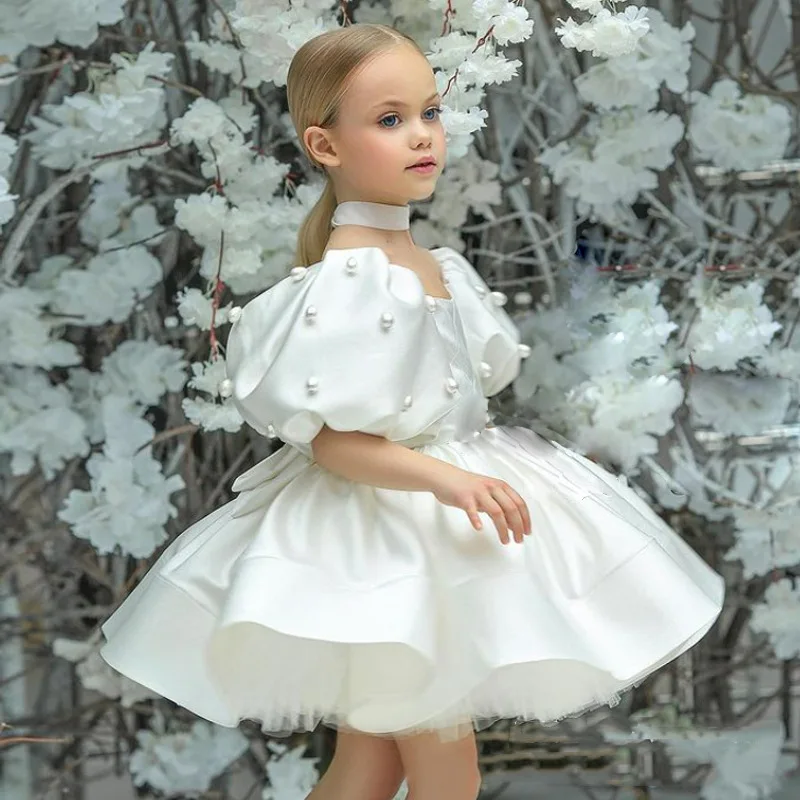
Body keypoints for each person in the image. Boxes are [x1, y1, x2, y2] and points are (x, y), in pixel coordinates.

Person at [100, 22, 725, 800]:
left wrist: (455, 478)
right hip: (389, 535)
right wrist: (448, 483)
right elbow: (331, 444)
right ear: (325, 147)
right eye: (390, 120)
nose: (423, 136)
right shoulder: (350, 279)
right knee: (442, 771)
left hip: (429, 524)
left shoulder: (431, 264)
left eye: (429, 112)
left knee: (369, 762)